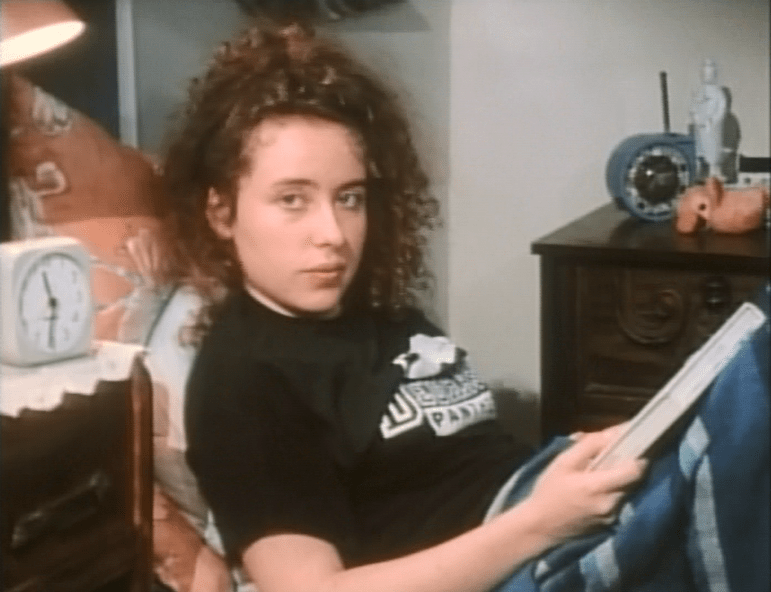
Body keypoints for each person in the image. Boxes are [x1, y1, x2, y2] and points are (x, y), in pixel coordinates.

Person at [160, 23, 767, 592]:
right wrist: (543, 521)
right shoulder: (243, 380)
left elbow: (464, 465)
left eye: (349, 198)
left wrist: (595, 457)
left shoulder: (376, 314)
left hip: (542, 512)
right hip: (526, 561)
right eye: (293, 200)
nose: (333, 234)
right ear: (221, 212)